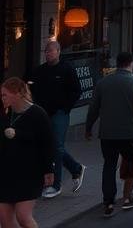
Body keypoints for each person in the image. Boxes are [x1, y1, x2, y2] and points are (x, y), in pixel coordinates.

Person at [86, 52, 133, 217]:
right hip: (129, 133)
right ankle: (127, 197)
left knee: (109, 165)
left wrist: (88, 127)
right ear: (131, 64)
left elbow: (93, 108)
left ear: (117, 64)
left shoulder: (103, 82)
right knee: (131, 163)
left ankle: (108, 202)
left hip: (107, 133)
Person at [27, 39, 83, 198]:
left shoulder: (67, 69)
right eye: (46, 51)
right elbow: (30, 87)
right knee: (49, 146)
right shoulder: (40, 70)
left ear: (58, 52)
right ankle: (75, 168)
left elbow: (76, 91)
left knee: (57, 147)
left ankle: (55, 185)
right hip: (43, 113)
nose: (48, 54)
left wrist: (66, 108)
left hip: (59, 113)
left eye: (51, 51)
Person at [0, 77, 55, 228]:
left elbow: (47, 143)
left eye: (5, 95)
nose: (2, 98)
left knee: (23, 216)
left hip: (29, 172)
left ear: (17, 93)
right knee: (5, 219)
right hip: (6, 173)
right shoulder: (6, 113)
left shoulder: (37, 113)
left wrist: (49, 170)